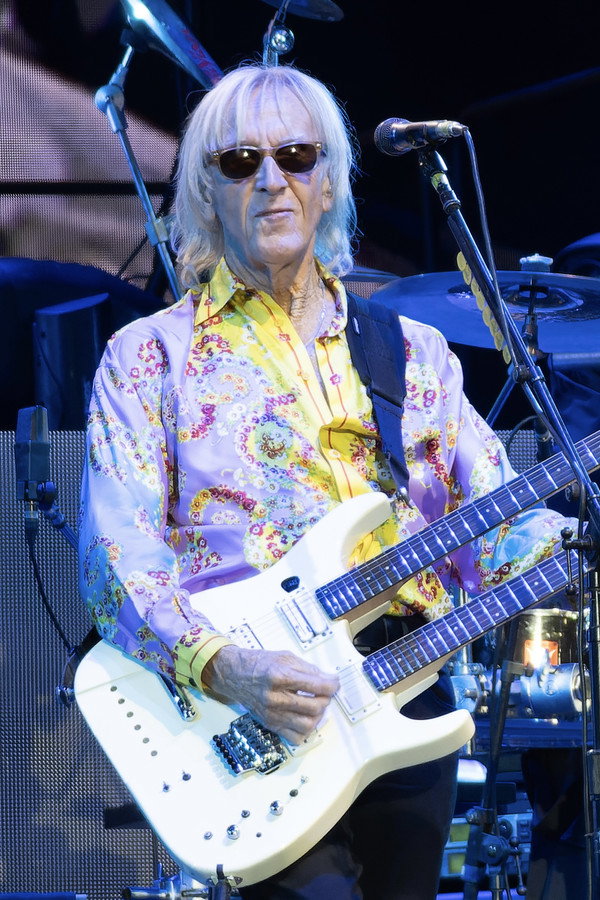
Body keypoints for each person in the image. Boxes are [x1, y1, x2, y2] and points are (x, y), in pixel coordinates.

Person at [78, 63, 575, 899]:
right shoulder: (151, 357)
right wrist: (228, 667)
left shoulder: (413, 352)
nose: (272, 179)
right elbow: (115, 559)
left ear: (330, 181)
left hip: (409, 687)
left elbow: (497, 525)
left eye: (297, 156)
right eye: (241, 162)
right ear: (206, 192)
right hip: (250, 703)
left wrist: (571, 538)